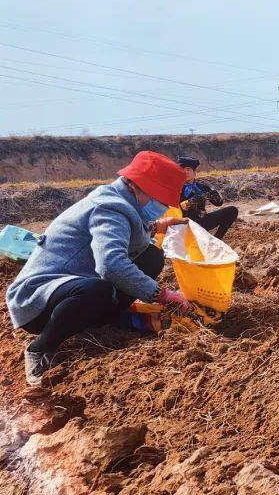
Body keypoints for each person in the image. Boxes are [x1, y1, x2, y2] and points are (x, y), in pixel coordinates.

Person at [6, 151, 192, 386]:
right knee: (99, 289)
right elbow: (110, 264)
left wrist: (156, 225)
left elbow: (128, 233)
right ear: (137, 186)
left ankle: (104, 318)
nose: (162, 207)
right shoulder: (109, 207)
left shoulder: (119, 201)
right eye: (160, 202)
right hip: (37, 299)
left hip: (72, 284)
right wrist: (162, 294)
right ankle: (40, 348)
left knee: (151, 257)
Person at [177, 156, 239, 239]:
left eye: (188, 170)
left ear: (194, 173)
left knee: (232, 210)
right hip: (184, 223)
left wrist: (215, 196)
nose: (185, 172)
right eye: (182, 170)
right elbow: (177, 208)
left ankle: (217, 238)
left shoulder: (202, 187)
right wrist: (192, 201)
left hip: (202, 221)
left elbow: (219, 204)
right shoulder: (176, 188)